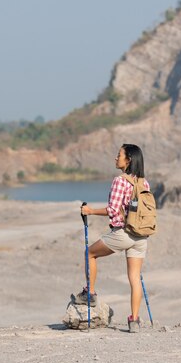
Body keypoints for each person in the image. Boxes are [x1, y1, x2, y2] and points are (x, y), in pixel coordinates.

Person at [76, 143, 150, 333]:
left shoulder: (120, 181)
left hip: (124, 233)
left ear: (128, 160)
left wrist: (90, 211)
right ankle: (134, 320)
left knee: (90, 253)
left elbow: (112, 210)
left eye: (119, 155)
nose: (115, 158)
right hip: (141, 236)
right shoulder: (143, 182)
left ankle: (90, 293)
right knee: (135, 277)